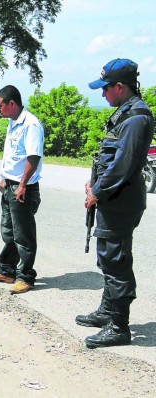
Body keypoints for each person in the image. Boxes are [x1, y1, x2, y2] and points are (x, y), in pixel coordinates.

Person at [76, 59, 154, 348]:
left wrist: (97, 190)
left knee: (116, 260)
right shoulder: (125, 114)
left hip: (121, 201)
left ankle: (119, 327)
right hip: (113, 198)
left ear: (120, 87)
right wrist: (94, 184)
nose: (103, 94)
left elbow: (122, 166)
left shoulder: (136, 118)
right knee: (108, 256)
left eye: (106, 88)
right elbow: (109, 159)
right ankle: (107, 312)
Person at [0, 85, 44, 294]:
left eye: (0, 105)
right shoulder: (13, 122)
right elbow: (12, 155)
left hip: (23, 188)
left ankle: (26, 276)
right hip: (10, 184)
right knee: (8, 231)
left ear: (12, 104)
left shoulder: (31, 124)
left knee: (23, 234)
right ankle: (7, 271)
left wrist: (22, 185)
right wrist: (4, 178)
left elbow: (33, 158)